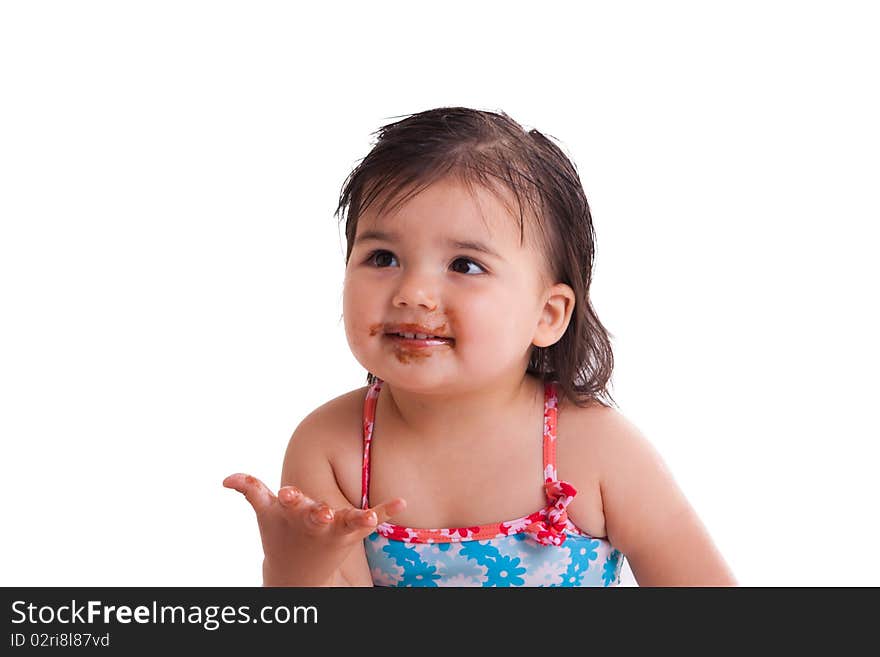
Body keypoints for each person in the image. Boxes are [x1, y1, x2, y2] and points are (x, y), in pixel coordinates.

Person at [223, 107, 737, 587]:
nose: (412, 293)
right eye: (382, 257)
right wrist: (295, 568)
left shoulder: (597, 448)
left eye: (465, 265)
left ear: (547, 314)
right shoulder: (333, 446)